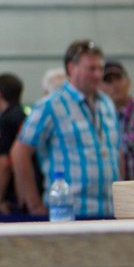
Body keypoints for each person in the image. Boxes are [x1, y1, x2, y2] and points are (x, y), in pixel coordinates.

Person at [11, 40, 120, 218]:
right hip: (70, 214)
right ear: (71, 68)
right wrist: (34, 204)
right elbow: (19, 153)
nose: (98, 74)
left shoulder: (107, 104)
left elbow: (116, 151)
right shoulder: (50, 106)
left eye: (100, 68)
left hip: (110, 211)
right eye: (91, 69)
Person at [101, 60, 134, 181]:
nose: (115, 85)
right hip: (110, 191)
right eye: (109, 81)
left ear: (128, 82)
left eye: (119, 78)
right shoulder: (99, 118)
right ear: (100, 87)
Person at [0, 73, 28, 215]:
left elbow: (4, 164)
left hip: (11, 200)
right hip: (29, 192)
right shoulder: (26, 118)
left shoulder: (4, 123)